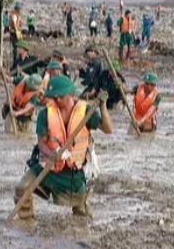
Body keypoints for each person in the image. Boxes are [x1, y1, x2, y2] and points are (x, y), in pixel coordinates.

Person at [13, 77, 113, 220]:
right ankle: (27, 221)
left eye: (61, 96)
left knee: (81, 213)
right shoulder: (45, 114)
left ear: (70, 95)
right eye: (55, 97)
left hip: (74, 172)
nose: (57, 100)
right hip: (50, 166)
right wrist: (51, 154)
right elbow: (41, 143)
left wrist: (103, 107)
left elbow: (108, 129)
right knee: (22, 188)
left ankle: (80, 229)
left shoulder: (85, 112)